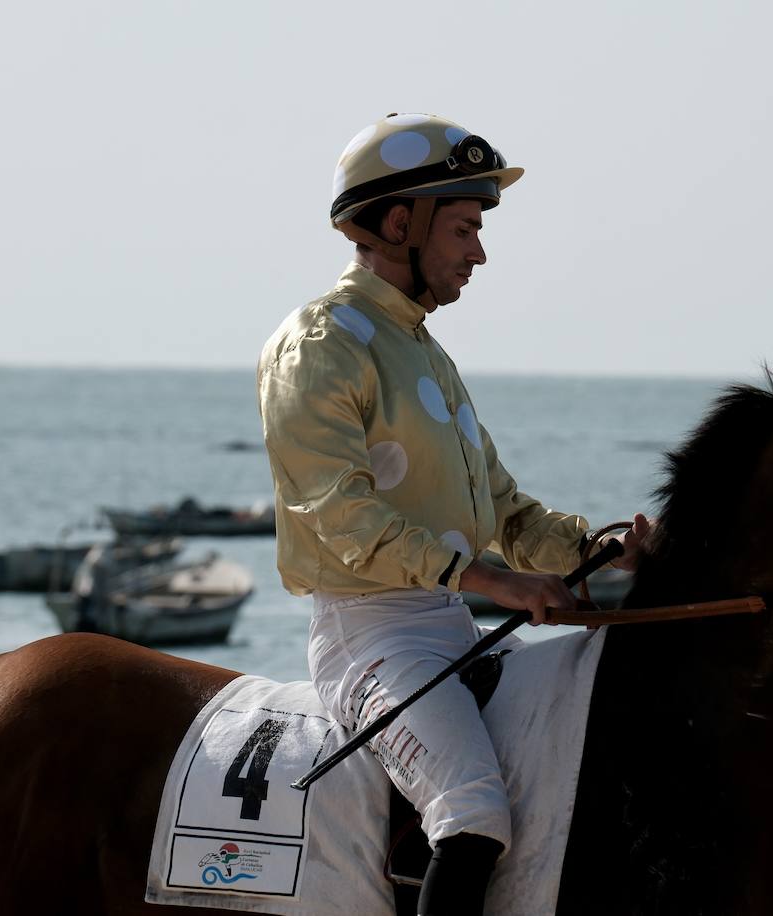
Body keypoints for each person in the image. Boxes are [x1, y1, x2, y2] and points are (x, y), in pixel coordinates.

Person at [257, 112, 650, 916]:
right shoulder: (320, 342)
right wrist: (487, 579)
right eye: (466, 227)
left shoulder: (425, 352)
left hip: (448, 630)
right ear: (400, 223)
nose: (479, 251)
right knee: (472, 816)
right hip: (369, 638)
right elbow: (339, 515)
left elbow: (505, 509)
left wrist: (603, 546)